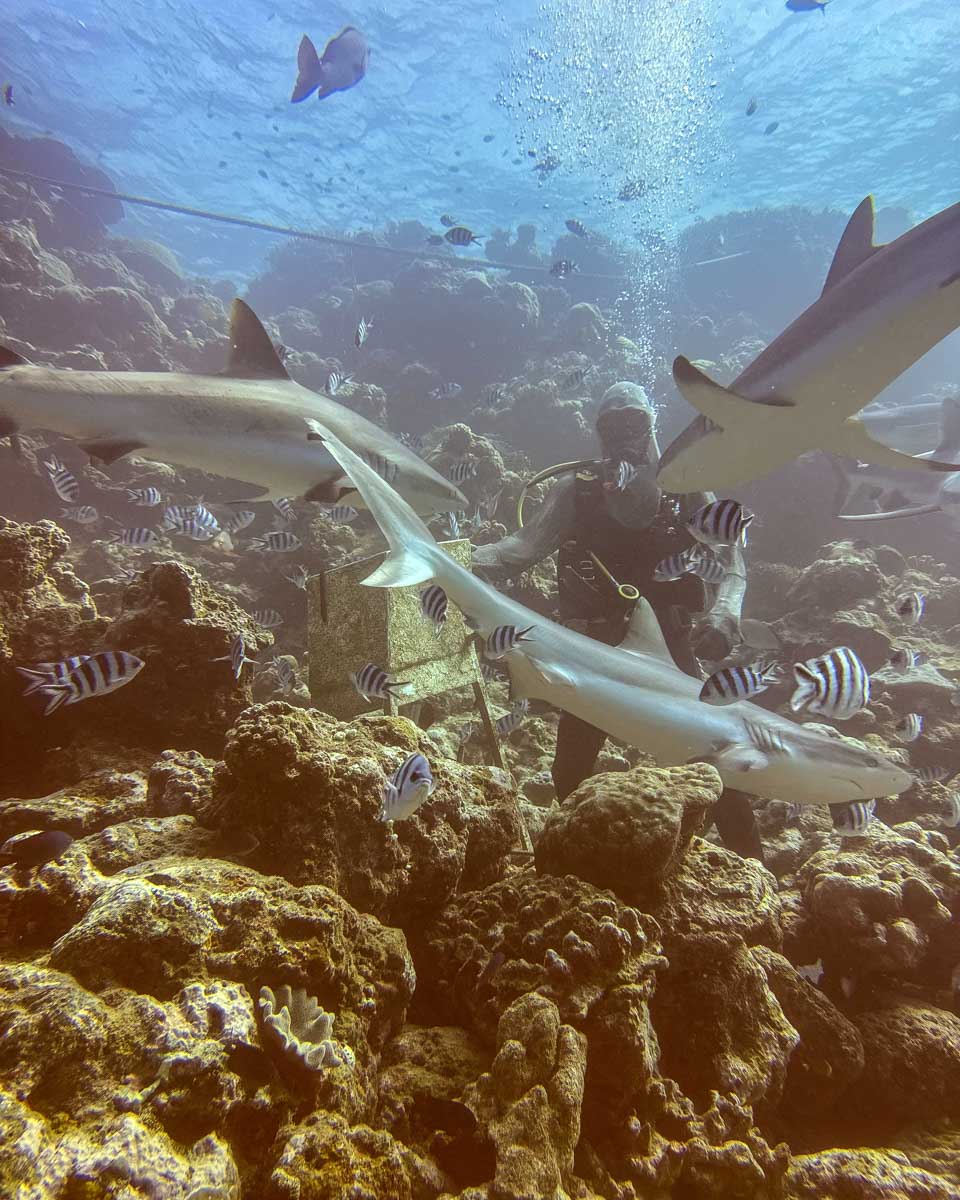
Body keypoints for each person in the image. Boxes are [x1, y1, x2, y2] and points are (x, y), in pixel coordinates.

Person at [473, 382, 763, 861]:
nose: (625, 435)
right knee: (569, 775)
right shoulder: (577, 492)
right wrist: (447, 559)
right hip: (596, 656)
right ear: (598, 433)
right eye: (614, 425)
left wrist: (724, 613)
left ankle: (755, 873)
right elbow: (515, 552)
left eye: (636, 423)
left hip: (672, 650)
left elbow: (732, 557)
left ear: (652, 426)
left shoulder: (684, 485)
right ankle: (581, 871)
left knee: (720, 770)